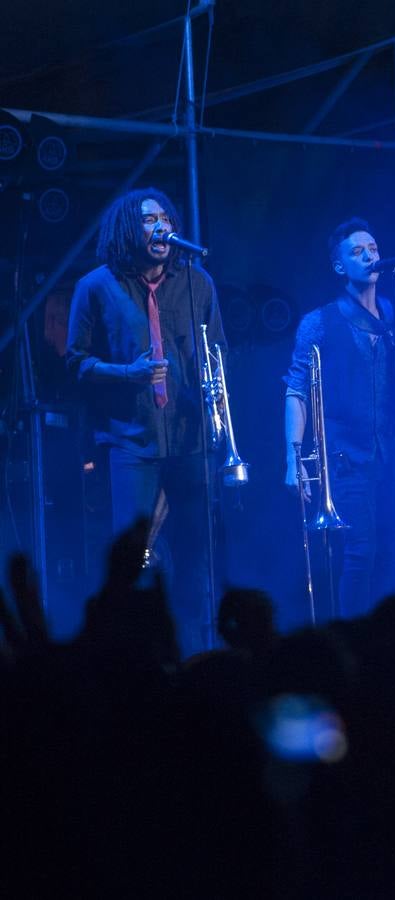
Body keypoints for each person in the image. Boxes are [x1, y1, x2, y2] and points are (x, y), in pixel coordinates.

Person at [66, 187, 226, 654]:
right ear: (126, 230)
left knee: (197, 554)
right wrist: (126, 374)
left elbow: (218, 352)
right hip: (131, 441)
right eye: (147, 220)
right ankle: (142, 654)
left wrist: (213, 391)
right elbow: (76, 362)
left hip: (190, 438)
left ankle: (199, 653)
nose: (160, 226)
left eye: (164, 217)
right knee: (139, 555)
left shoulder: (198, 282)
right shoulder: (96, 286)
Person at [282, 218, 395, 618]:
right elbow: (297, 391)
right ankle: (354, 640)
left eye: (373, 247)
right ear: (339, 267)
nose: (370, 255)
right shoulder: (319, 322)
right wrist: (293, 458)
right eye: (358, 251)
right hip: (345, 459)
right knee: (360, 553)